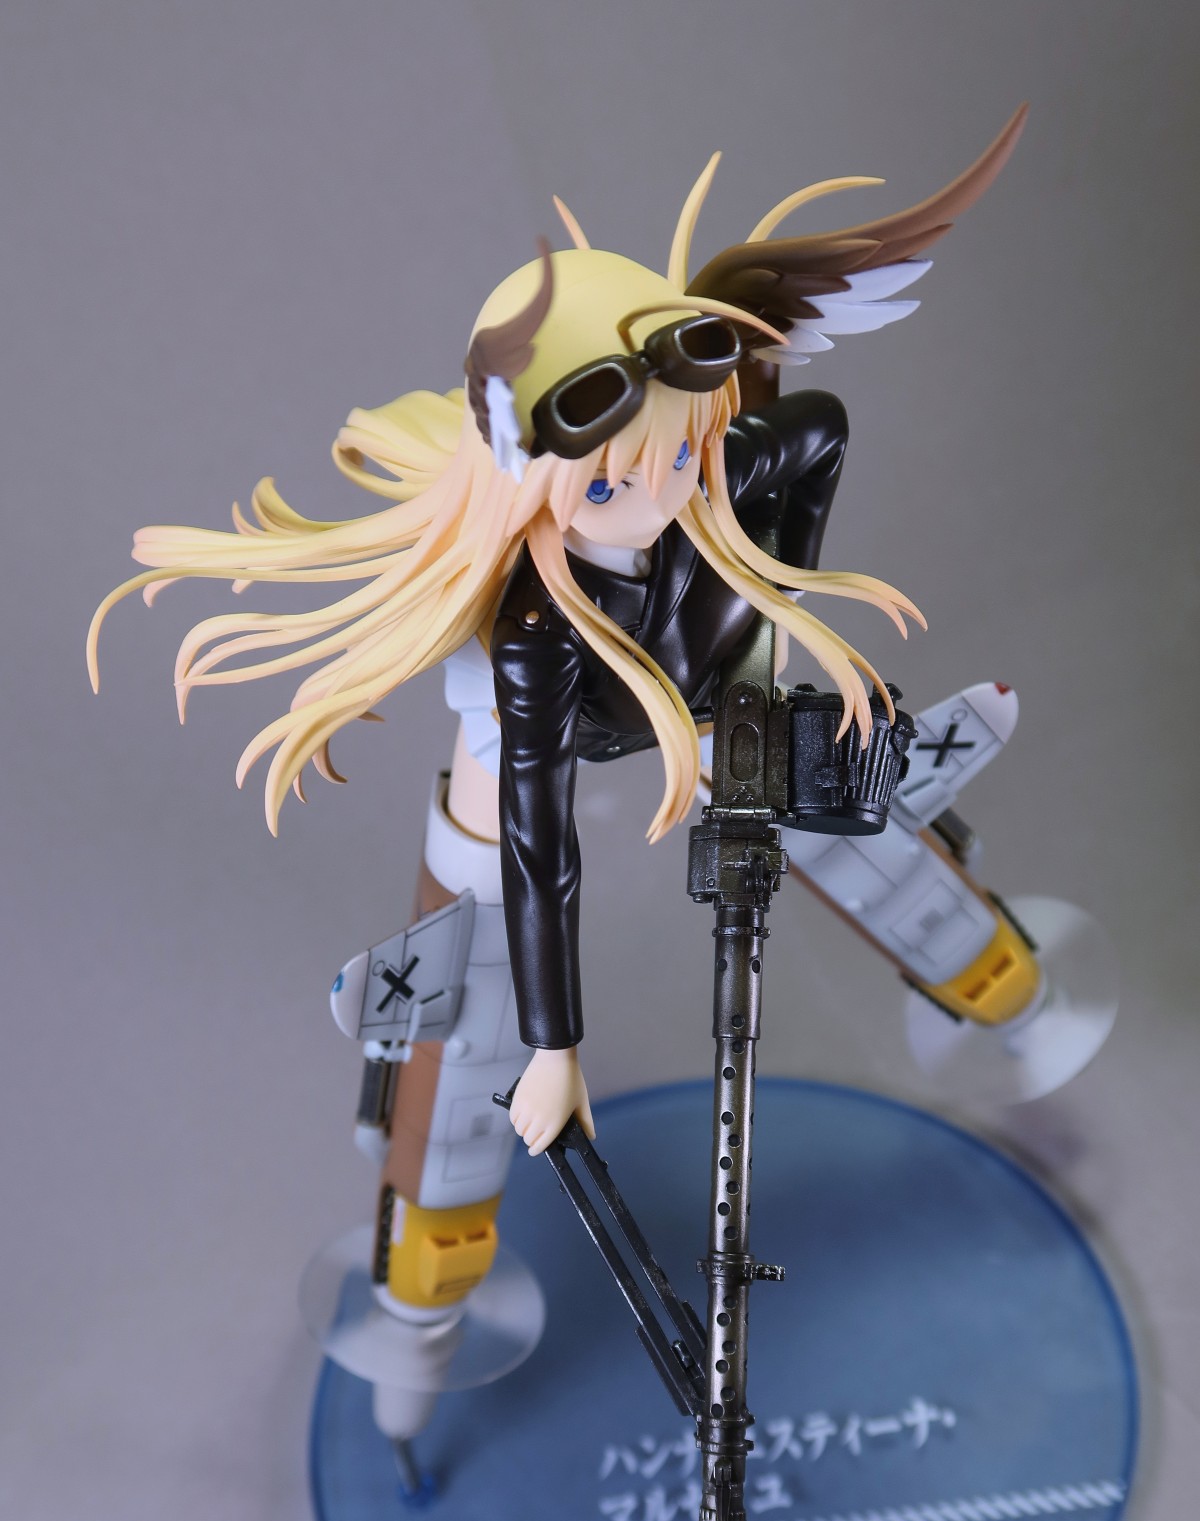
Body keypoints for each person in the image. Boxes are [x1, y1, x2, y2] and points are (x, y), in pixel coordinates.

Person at [88, 112, 1025, 1335]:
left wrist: (770, 602)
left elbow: (818, 432)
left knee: (832, 785)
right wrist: (554, 1050)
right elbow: (544, 845)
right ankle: (435, 1237)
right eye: (609, 480)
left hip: (704, 680)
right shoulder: (529, 636)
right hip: (548, 727)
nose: (656, 491)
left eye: (674, 455)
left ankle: (994, 975)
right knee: (478, 940)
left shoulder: (717, 469)